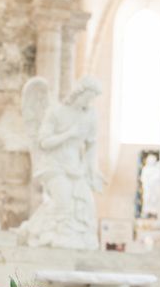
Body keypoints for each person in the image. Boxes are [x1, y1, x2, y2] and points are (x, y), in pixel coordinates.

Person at [17, 76, 103, 250]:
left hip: (75, 166)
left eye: (93, 97)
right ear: (80, 92)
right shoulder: (56, 111)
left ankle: (37, 231)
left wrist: (92, 169)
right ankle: (49, 236)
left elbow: (92, 144)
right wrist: (69, 134)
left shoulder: (91, 115)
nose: (90, 101)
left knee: (86, 203)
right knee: (62, 204)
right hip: (54, 164)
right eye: (89, 96)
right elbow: (44, 142)